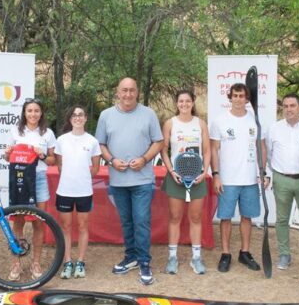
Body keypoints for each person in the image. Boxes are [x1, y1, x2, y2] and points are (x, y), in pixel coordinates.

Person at [95, 77, 163, 285]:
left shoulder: (148, 114)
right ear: (117, 92)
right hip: (118, 180)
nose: (128, 94)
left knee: (141, 221)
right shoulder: (106, 115)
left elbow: (158, 142)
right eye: (124, 90)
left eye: (132, 90)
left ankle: (144, 261)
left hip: (143, 180)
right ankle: (131, 257)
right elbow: (100, 145)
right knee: (126, 221)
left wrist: (144, 159)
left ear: (137, 92)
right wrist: (111, 160)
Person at [210, 83, 269, 273]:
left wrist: (263, 172)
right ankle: (226, 254)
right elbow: (213, 149)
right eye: (234, 95)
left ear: (247, 99)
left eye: (241, 96)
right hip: (227, 180)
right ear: (230, 98)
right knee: (226, 218)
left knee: (246, 217)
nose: (237, 99)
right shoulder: (220, 121)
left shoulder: (255, 121)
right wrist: (216, 175)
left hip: (250, 179)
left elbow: (262, 148)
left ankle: (245, 252)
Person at [4, 98, 56, 281]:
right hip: (19, 178)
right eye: (30, 111)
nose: (33, 114)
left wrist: (41, 154)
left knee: (38, 222)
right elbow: (7, 158)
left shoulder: (48, 133)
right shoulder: (15, 131)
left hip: (38, 178)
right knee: (18, 221)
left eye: (36, 111)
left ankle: (36, 263)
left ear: (41, 113)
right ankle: (16, 263)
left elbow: (52, 160)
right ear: (24, 113)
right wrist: (7, 153)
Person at [160, 90, 210, 275]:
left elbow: (207, 151)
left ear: (193, 102)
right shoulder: (170, 123)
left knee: (195, 218)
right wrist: (172, 171)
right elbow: (163, 150)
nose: (184, 104)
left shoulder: (201, 124)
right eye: (181, 101)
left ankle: (196, 258)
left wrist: (204, 172)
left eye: (188, 101)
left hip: (197, 177)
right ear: (176, 103)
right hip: (176, 178)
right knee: (175, 217)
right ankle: (172, 257)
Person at [55, 105, 101, 279]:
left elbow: (95, 168)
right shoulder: (61, 140)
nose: (77, 117)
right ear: (70, 119)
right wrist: (70, 178)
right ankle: (67, 261)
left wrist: (82, 178)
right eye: (74, 115)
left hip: (84, 191)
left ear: (86, 118)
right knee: (66, 227)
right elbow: (60, 166)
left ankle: (80, 261)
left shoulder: (92, 141)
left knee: (83, 226)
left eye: (81, 115)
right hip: (65, 190)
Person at [265, 93, 299, 270]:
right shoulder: (274, 129)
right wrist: (271, 173)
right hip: (282, 179)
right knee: (282, 219)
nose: (289, 109)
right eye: (285, 106)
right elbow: (269, 154)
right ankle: (284, 254)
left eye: (292, 105)